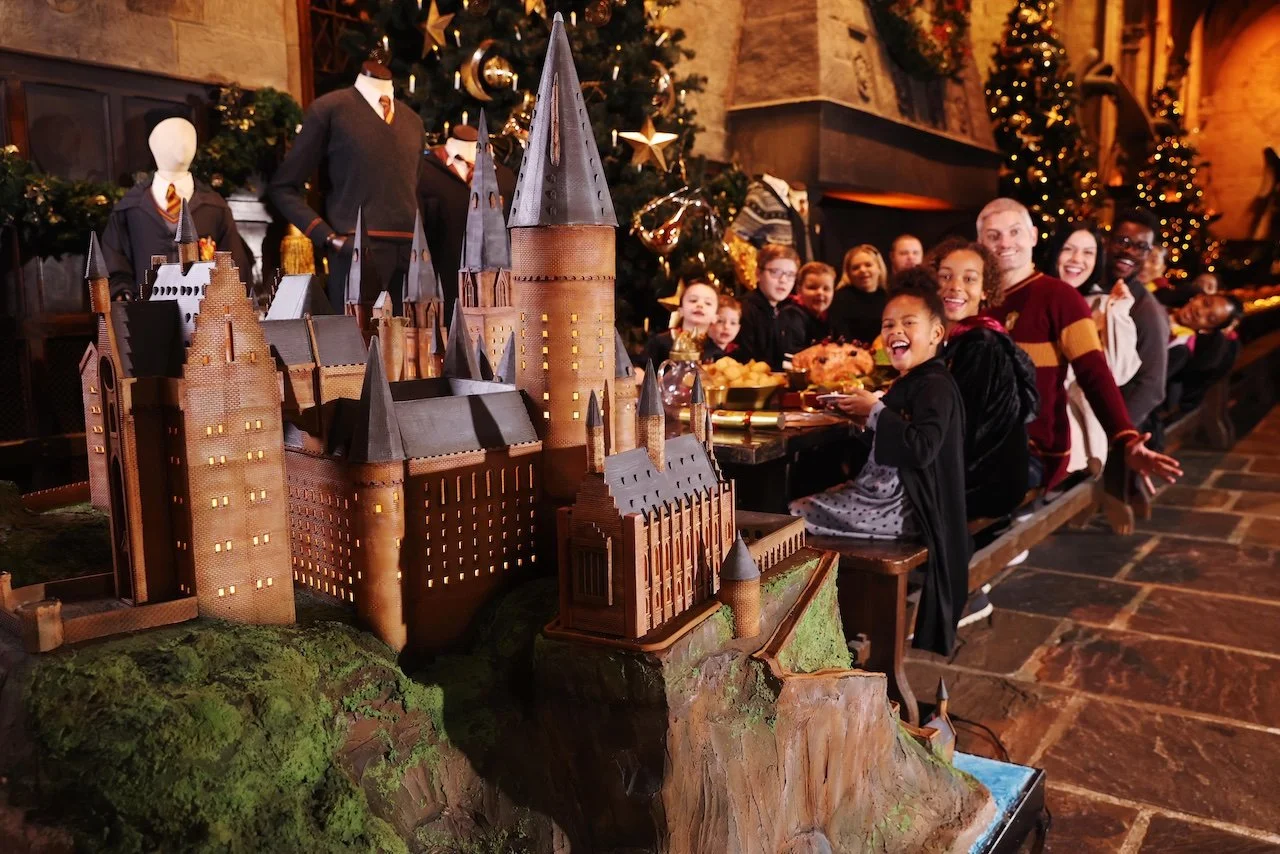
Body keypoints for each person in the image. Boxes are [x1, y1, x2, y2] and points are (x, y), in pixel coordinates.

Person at [790, 286, 969, 655]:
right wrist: (860, 416)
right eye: (888, 324)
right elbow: (892, 438)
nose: (895, 331)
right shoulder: (914, 381)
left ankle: (822, 629)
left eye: (908, 323)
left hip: (898, 512)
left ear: (936, 334)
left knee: (789, 519)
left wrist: (874, 411)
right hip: (880, 500)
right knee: (804, 503)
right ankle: (834, 624)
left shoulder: (936, 386)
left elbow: (921, 448)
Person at [976, 198, 1181, 492]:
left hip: (1034, 450)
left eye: (1015, 232)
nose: (1005, 243)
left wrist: (1125, 437)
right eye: (993, 235)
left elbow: (1094, 371)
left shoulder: (1060, 297)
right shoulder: (975, 299)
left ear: (1032, 236)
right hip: (985, 441)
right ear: (979, 241)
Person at [933, 240, 1038, 521]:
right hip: (978, 471)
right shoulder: (954, 338)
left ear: (985, 291)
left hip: (987, 481)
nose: (955, 285)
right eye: (945, 276)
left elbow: (962, 428)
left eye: (969, 279)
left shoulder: (981, 341)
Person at [1047, 223, 1140, 474]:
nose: (1078, 260)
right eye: (1069, 249)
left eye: (1088, 253)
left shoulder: (1101, 304)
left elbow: (1118, 371)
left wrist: (1117, 313)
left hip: (1073, 424)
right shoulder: (1033, 294)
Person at [1107, 209, 1171, 433]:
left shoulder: (1146, 310)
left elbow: (1152, 385)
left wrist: (1114, 432)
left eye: (1141, 247)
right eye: (1122, 241)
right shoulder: (1092, 287)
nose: (1129, 251)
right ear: (1107, 240)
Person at [736, 244, 801, 369]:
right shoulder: (745, 309)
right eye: (775, 272)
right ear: (758, 273)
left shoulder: (786, 310)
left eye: (790, 275)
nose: (783, 280)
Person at [642, 281, 719, 366]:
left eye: (708, 303)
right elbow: (639, 368)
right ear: (680, 311)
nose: (700, 305)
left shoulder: (716, 352)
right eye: (693, 300)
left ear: (715, 317)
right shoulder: (660, 342)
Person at [828, 244, 889, 345]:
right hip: (853, 355)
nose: (863, 270)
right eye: (856, 268)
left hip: (884, 355)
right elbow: (841, 337)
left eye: (868, 265)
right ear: (849, 273)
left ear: (879, 268)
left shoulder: (888, 297)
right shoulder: (840, 299)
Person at [779, 261, 835, 354]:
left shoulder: (827, 318)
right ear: (799, 290)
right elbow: (792, 355)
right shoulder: (791, 315)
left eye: (826, 289)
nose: (820, 293)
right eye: (812, 287)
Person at [706, 294, 742, 361]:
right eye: (720, 321)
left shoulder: (737, 353)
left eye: (733, 323)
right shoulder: (704, 353)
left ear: (738, 328)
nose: (727, 327)